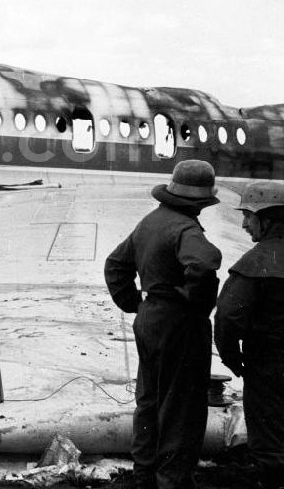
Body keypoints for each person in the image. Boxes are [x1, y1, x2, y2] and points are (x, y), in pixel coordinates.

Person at [104, 159, 222, 489]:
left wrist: (135, 304)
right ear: (200, 201)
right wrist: (193, 302)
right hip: (179, 325)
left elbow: (115, 265)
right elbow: (203, 263)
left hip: (150, 320)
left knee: (149, 402)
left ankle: (143, 476)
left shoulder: (149, 222)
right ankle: (171, 480)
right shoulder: (187, 229)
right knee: (181, 410)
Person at [214, 181, 284, 489]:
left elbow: (228, 318)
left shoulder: (254, 263)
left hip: (268, 367)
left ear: (267, 220)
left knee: (270, 444)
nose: (243, 224)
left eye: (249, 216)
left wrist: (232, 359)